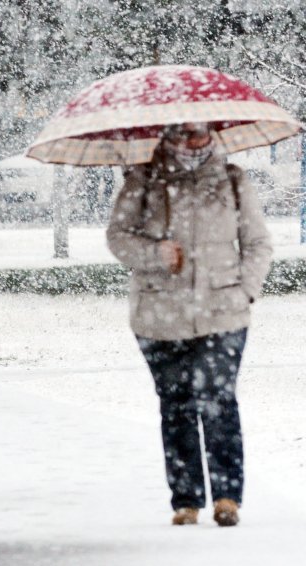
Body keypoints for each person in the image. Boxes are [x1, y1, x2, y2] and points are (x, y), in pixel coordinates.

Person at [106, 122, 272, 527]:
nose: (192, 141)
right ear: (169, 135)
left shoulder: (233, 180)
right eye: (183, 133)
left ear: (212, 132)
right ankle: (186, 500)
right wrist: (154, 252)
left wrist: (244, 290)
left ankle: (227, 496)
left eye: (200, 133)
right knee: (177, 406)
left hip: (223, 312)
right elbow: (118, 237)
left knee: (218, 400)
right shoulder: (144, 179)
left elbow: (258, 243)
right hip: (160, 314)